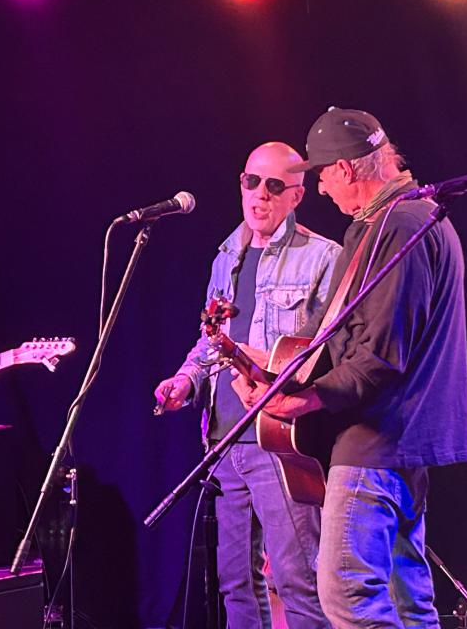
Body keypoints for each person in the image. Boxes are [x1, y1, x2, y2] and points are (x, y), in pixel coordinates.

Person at [233, 108, 467, 629]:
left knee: (345, 591)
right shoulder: (411, 218)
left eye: (321, 174)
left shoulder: (399, 224)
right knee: (407, 603)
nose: (320, 189)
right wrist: (269, 368)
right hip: (401, 446)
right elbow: (346, 337)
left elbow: (379, 357)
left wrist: (305, 399)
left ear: (344, 169)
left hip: (375, 444)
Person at [154, 141, 340, 629]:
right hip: (224, 440)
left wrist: (280, 377)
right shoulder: (226, 255)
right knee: (236, 583)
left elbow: (332, 354)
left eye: (275, 186)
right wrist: (186, 379)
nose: (260, 195)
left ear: (296, 196)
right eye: (251, 182)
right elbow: (211, 339)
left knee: (299, 582)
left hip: (277, 441)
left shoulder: (322, 258)